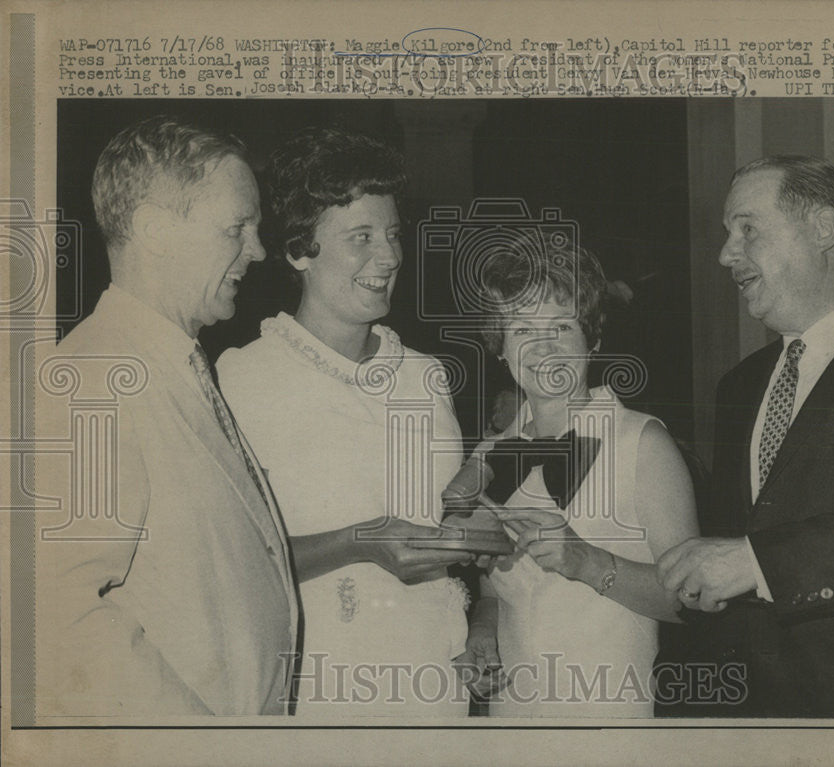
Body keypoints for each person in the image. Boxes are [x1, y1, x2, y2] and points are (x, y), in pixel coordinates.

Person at [656, 155, 834, 718]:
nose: (725, 254)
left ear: (823, 228)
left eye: (747, 228)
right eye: (726, 234)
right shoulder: (739, 386)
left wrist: (759, 564)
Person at [35, 116, 299, 717]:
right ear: (154, 230)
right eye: (237, 227)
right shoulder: (88, 380)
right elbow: (53, 615)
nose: (257, 251)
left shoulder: (175, 363)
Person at [216, 128, 474, 718]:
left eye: (392, 234)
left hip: (434, 684)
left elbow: (449, 523)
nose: (388, 257)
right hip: (322, 689)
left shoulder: (425, 375)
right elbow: (227, 559)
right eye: (361, 237)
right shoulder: (243, 379)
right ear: (299, 250)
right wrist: (360, 543)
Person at [460, 233, 698, 717]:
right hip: (514, 724)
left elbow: (690, 599)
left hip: (610, 725)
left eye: (562, 325)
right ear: (500, 348)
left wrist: (587, 561)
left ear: (592, 337)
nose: (544, 346)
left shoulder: (643, 444)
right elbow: (494, 585)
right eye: (522, 329)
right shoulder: (489, 454)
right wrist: (484, 629)